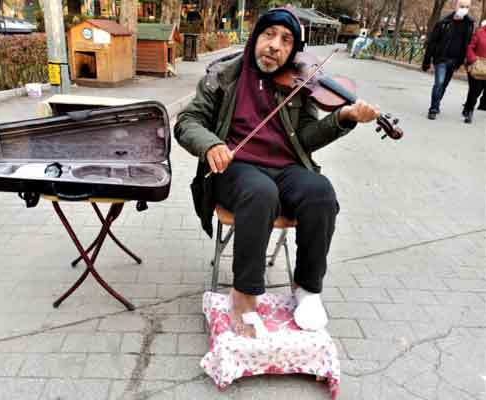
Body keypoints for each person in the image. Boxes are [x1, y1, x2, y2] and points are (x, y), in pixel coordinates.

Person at [174, 8, 379, 338]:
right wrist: (211, 145)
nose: (275, 46)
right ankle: (244, 294)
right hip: (235, 167)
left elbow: (308, 137)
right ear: (256, 37)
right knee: (260, 192)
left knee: (320, 192)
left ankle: (307, 289)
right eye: (269, 35)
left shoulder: (300, 82)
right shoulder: (223, 75)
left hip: (286, 167)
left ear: (293, 50)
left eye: (286, 41)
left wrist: (343, 117)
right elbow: (187, 122)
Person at [422, 0, 475, 120]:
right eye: (462, 6)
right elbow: (432, 43)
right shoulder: (444, 22)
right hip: (441, 59)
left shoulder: (469, 24)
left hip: (455, 61)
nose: (464, 9)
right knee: (439, 83)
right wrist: (426, 61)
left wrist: (464, 60)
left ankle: (437, 102)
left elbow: (467, 43)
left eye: (467, 7)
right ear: (455, 6)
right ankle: (433, 109)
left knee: (444, 85)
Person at [463, 19, 486, 123]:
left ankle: (467, 106)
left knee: (480, 91)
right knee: (475, 89)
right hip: (477, 65)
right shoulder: (480, 32)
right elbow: (470, 47)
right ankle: (469, 111)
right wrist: (473, 59)